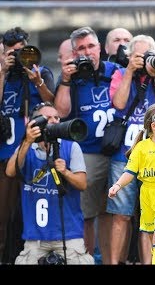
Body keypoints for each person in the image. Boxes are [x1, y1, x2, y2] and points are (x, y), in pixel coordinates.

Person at [54, 26, 121, 263]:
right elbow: (61, 112)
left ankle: (112, 259)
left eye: (91, 46)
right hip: (87, 152)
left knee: (115, 213)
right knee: (86, 214)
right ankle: (86, 259)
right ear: (74, 53)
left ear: (100, 48)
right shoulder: (71, 77)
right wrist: (64, 80)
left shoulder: (115, 71)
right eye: (81, 48)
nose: (87, 52)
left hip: (118, 152)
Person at [108, 34, 155, 264]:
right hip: (124, 154)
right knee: (121, 214)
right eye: (139, 56)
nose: (145, 60)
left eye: (148, 55)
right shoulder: (120, 73)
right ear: (128, 56)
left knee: (152, 217)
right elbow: (118, 104)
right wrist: (129, 71)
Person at [5, 101, 93, 264]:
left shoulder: (71, 147)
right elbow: (10, 172)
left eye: (57, 118)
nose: (54, 121)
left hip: (69, 234)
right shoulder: (26, 148)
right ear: (35, 123)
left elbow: (82, 184)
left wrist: (65, 172)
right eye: (48, 118)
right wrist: (27, 140)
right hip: (35, 236)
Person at [0, 27, 56, 264]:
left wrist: (38, 81)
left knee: (30, 213)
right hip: (5, 152)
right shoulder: (2, 72)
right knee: (3, 215)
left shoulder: (39, 71)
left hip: (35, 153)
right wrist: (3, 71)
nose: (18, 56)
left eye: (21, 51)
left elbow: (54, 106)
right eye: (12, 52)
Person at [108, 103, 155, 265]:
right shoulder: (141, 147)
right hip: (147, 195)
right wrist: (118, 185)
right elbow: (130, 172)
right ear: (154, 126)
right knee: (151, 236)